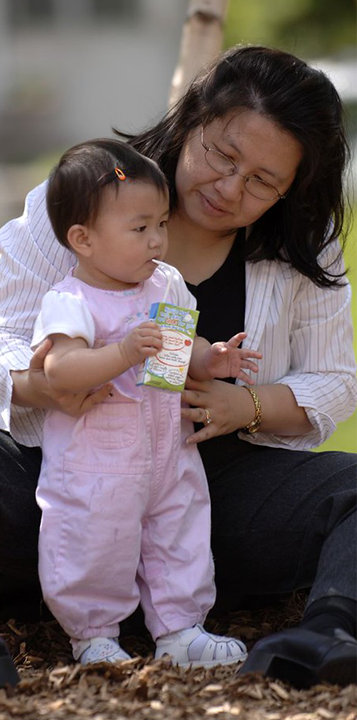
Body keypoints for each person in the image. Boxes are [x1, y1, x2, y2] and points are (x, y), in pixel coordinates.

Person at [0, 44, 356, 686]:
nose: (229, 189)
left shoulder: (303, 249)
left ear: (292, 189)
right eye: (223, 155)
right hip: (61, 483)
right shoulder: (80, 200)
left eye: (263, 183)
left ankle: (328, 632)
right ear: (191, 118)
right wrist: (46, 385)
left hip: (203, 488)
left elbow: (335, 381)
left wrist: (244, 404)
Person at [30, 137, 259, 667]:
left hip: (167, 450)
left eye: (161, 223)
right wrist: (123, 351)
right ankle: (93, 636)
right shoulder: (71, 301)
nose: (157, 239)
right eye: (139, 229)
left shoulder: (166, 284)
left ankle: (181, 629)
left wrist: (210, 359)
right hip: (97, 462)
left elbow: (177, 355)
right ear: (83, 239)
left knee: (179, 533)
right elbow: (61, 369)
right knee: (93, 540)